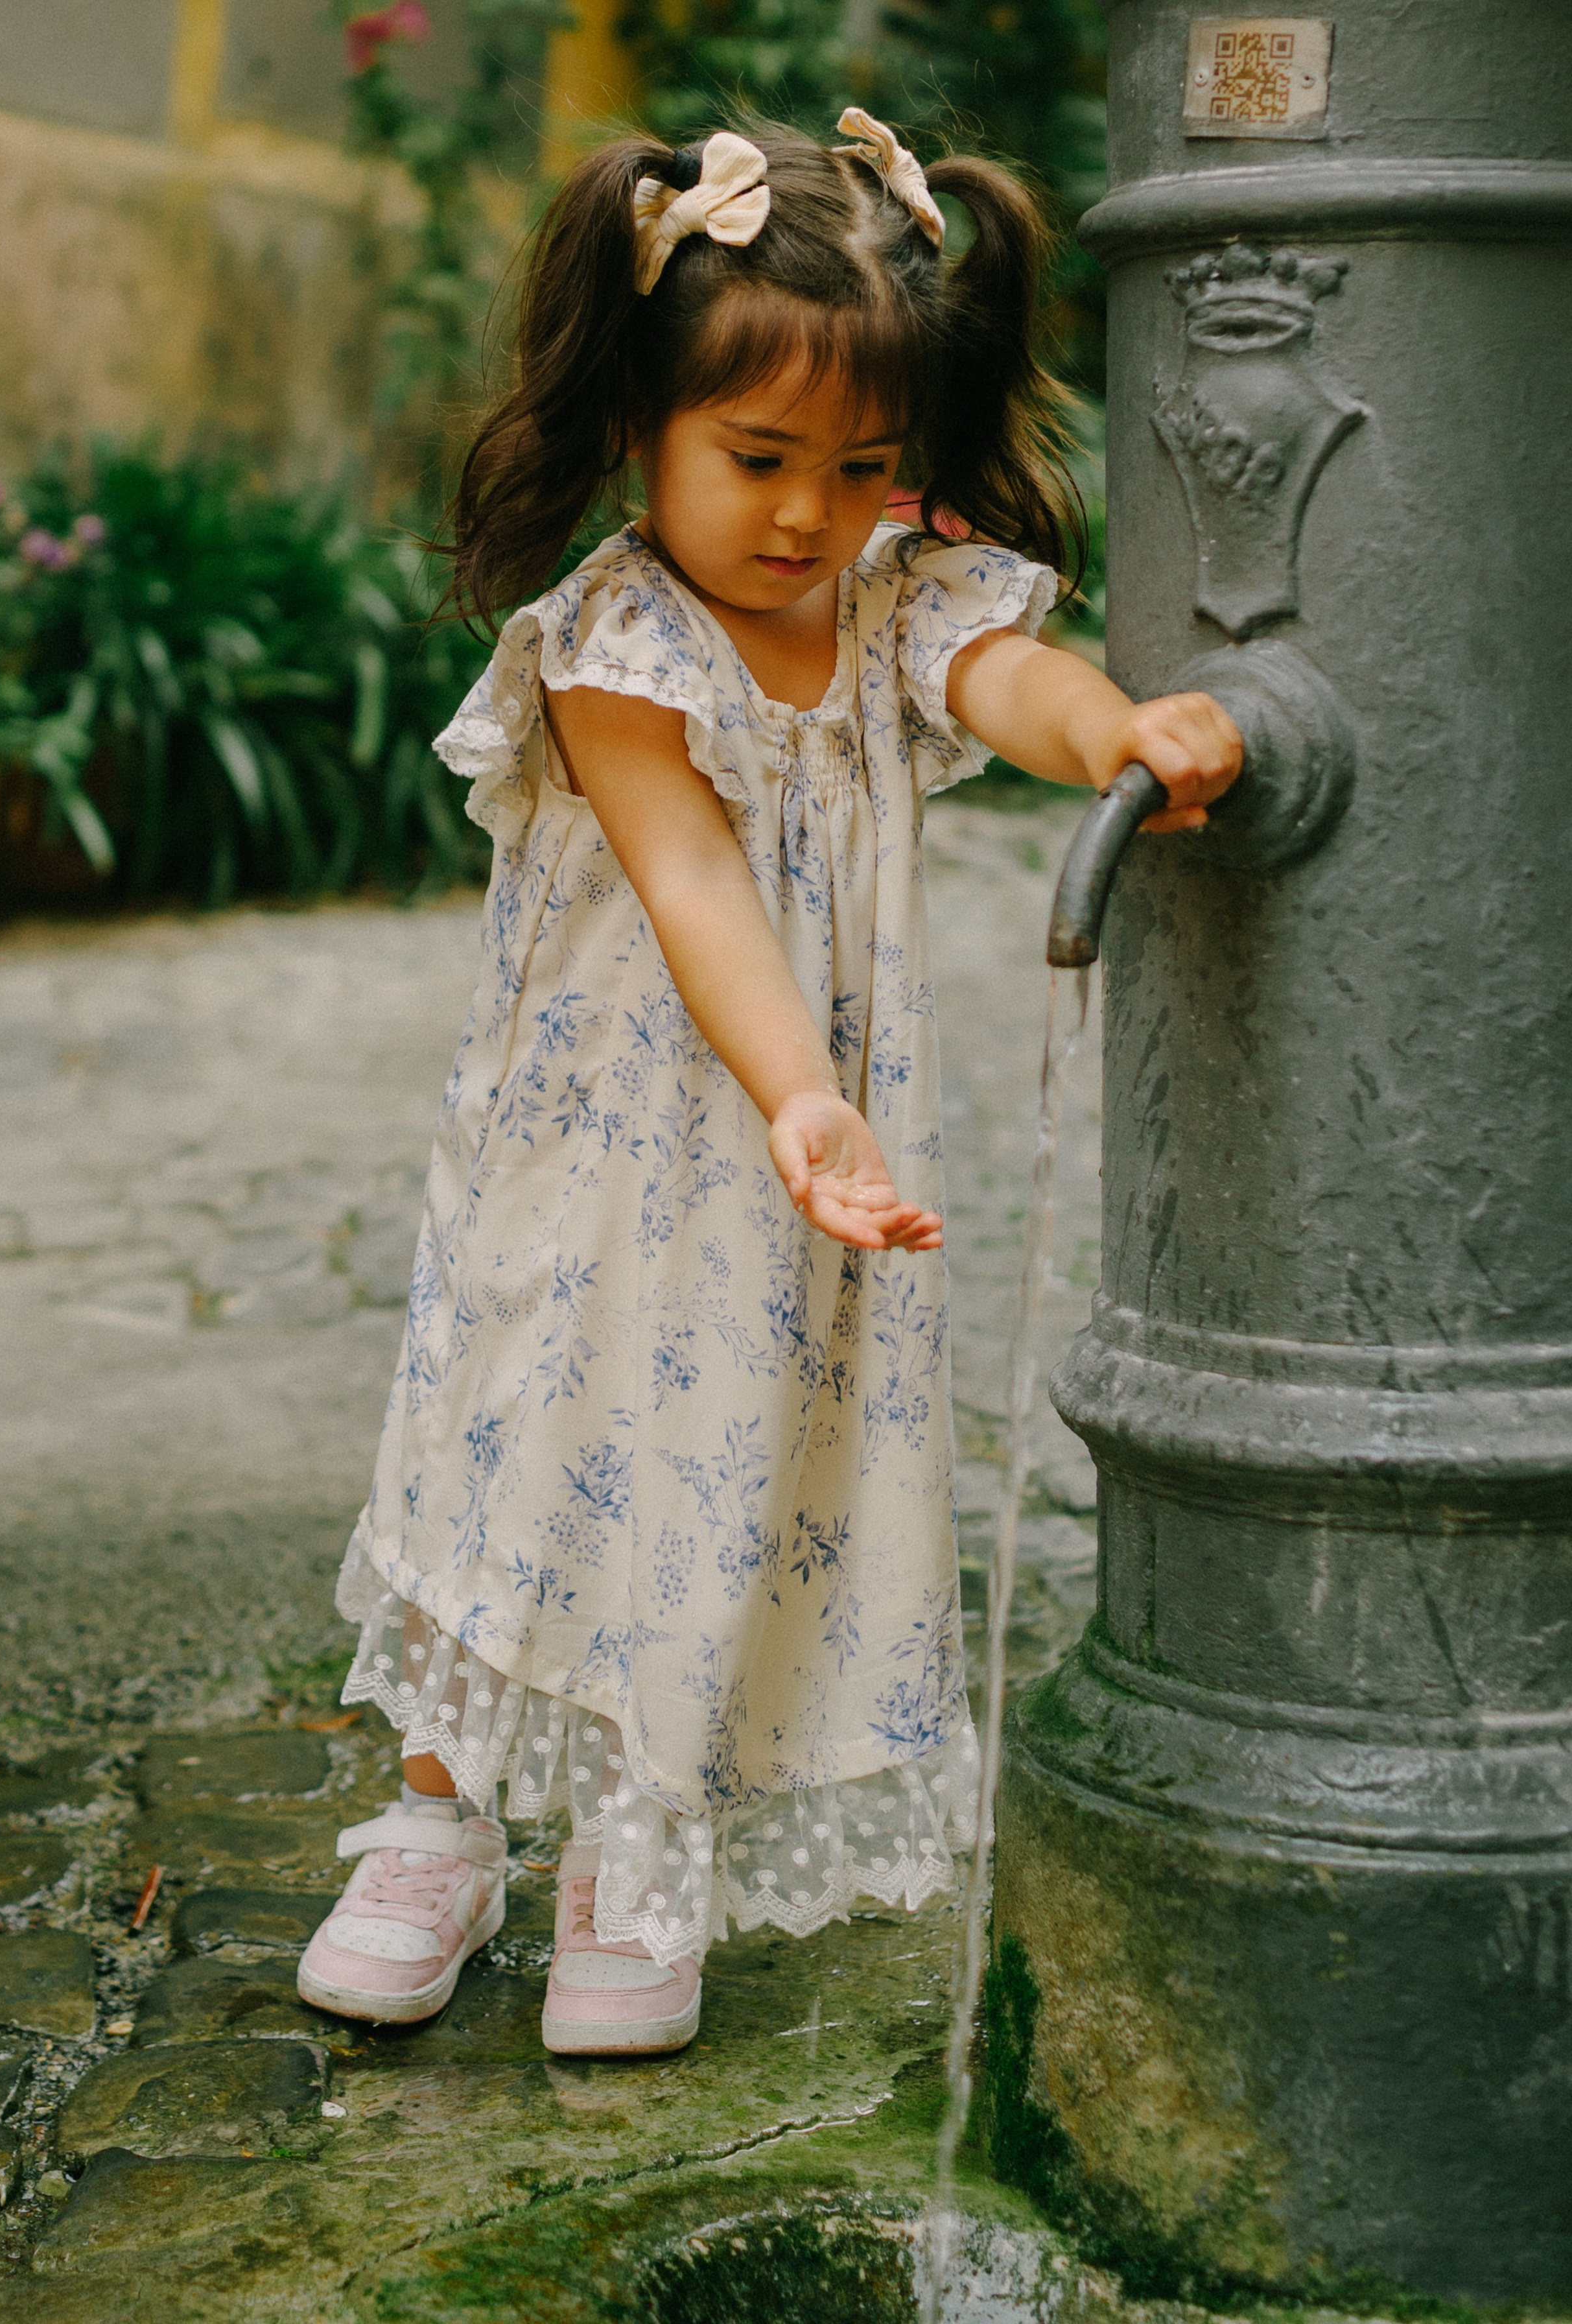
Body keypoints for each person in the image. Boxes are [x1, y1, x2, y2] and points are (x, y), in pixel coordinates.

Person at [298, 115, 1239, 2054]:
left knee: (724, 1481)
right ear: (648, 423)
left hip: (783, 1204)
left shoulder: (901, 599)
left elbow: (1013, 685)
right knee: (516, 1455)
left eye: (863, 467)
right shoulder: (613, 641)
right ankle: (437, 1818)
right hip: (586, 1169)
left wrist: (1123, 727)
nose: (810, 515)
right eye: (759, 461)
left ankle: (645, 1838)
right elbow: (697, 874)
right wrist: (802, 1090)